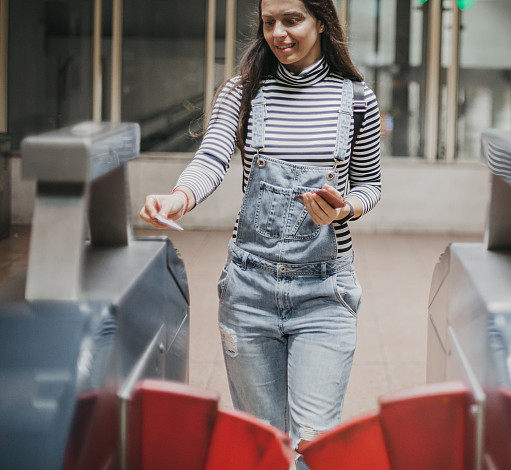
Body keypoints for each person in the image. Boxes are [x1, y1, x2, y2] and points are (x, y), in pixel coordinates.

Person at [138, 0, 381, 465]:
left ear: (322, 23)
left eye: (292, 20)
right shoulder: (243, 91)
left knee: (313, 445)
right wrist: (179, 197)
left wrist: (344, 208)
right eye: (269, 22)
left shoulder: (355, 99)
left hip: (325, 293)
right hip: (249, 290)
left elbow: (371, 185)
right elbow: (211, 158)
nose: (278, 33)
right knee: (265, 451)